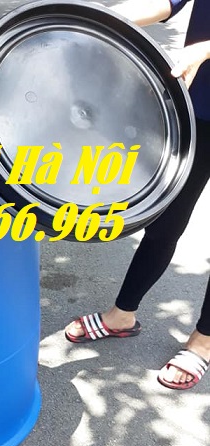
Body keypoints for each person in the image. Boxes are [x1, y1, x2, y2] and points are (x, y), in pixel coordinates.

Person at [65, 0, 210, 390]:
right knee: (165, 220)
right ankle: (122, 314)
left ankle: (203, 341)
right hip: (200, 106)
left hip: (200, 70)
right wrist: (92, 19)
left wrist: (205, 47)